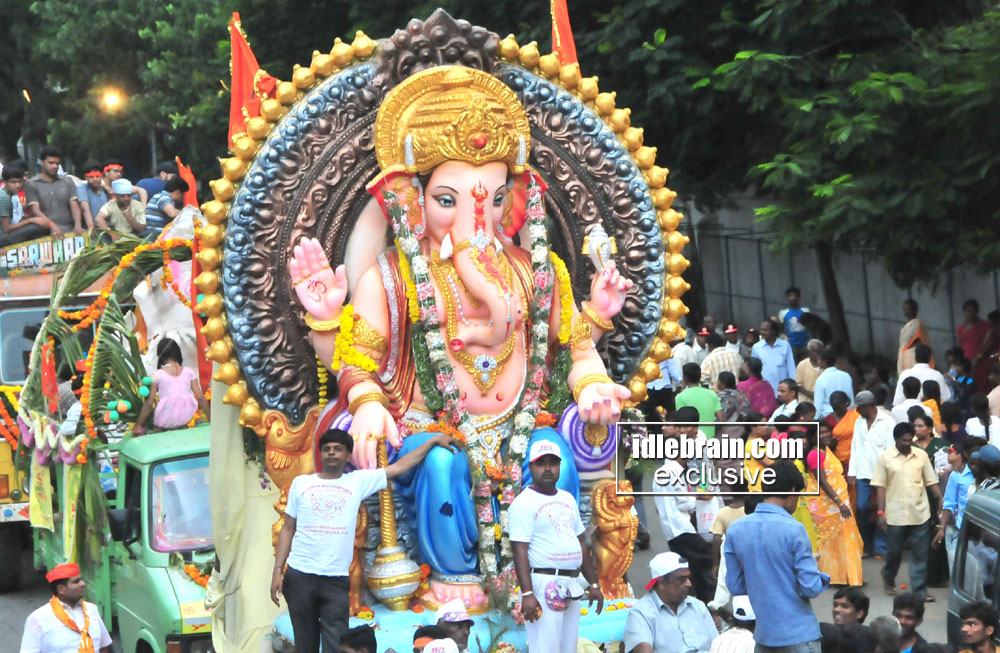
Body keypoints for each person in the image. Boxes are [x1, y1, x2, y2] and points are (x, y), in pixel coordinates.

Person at [270, 428, 459, 653]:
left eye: (338, 449)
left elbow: (401, 466)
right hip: (300, 576)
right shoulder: (301, 483)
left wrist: (433, 441)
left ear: (348, 456)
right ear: (320, 454)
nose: (331, 453)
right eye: (327, 449)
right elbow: (288, 528)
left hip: (335, 581)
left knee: (336, 645)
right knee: (305, 646)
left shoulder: (357, 481)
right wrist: (277, 571)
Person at [725, 461, 830, 652]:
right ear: (792, 489)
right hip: (799, 634)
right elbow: (810, 588)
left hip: (765, 636)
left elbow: (736, 587)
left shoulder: (735, 530)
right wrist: (813, 567)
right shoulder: (795, 529)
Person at [510, 440, 603, 653]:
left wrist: (594, 584)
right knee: (546, 648)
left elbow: (580, 542)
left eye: (553, 462)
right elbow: (519, 550)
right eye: (541, 463)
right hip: (543, 584)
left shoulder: (568, 499)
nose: (548, 468)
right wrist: (527, 593)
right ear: (531, 468)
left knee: (567, 648)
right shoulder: (524, 503)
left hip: (571, 582)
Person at [871, 422, 942, 600]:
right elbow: (880, 486)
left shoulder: (921, 455)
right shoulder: (885, 458)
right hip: (895, 514)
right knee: (894, 552)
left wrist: (940, 498)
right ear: (896, 439)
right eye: (904, 441)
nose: (908, 444)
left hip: (920, 512)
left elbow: (930, 480)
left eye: (910, 440)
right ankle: (888, 577)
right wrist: (881, 513)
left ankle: (919, 590)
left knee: (920, 553)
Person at [652, 419, 716, 603]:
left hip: (672, 529)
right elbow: (684, 503)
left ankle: (695, 601)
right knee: (706, 560)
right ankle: (708, 604)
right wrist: (699, 497)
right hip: (681, 527)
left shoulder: (664, 472)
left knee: (691, 567)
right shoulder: (675, 471)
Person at [623, 551, 718, 653]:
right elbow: (642, 648)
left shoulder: (697, 606)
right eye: (682, 579)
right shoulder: (641, 614)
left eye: (688, 578)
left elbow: (717, 645)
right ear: (662, 583)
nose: (689, 584)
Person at [807, 421, 863, 586]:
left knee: (845, 537)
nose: (825, 435)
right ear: (813, 436)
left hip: (838, 503)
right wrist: (839, 503)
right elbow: (822, 481)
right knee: (830, 539)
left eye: (827, 432)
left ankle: (845, 576)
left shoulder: (827, 450)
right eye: (821, 433)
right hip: (827, 504)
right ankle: (831, 576)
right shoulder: (815, 454)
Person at [19, 563, 113, 653]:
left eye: (81, 580)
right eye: (76, 581)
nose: (83, 584)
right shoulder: (38, 619)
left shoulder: (92, 610)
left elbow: (104, 646)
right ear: (61, 589)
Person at [847, 391, 895, 559]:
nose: (857, 412)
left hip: (882, 473)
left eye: (859, 408)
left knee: (883, 510)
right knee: (862, 507)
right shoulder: (858, 422)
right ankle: (866, 544)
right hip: (863, 472)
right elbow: (855, 447)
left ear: (867, 407)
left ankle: (881, 546)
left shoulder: (888, 422)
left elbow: (890, 449)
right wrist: (852, 471)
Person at [133, 338, 210, 434]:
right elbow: (201, 398)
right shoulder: (189, 372)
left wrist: (138, 424)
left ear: (159, 355)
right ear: (177, 353)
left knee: (155, 420)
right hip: (186, 418)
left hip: (166, 421)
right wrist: (211, 420)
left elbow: (149, 402)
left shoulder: (156, 375)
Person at [934, 437, 983, 568]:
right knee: (959, 568)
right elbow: (949, 503)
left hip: (983, 534)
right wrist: (941, 529)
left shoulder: (988, 477)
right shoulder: (956, 475)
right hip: (962, 530)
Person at [24, 146, 86, 235]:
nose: (54, 166)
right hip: (44, 233)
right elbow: (35, 210)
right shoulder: (32, 184)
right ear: (42, 163)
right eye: (51, 163)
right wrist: (52, 225)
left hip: (70, 230)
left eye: (57, 163)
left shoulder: (67, 181)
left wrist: (78, 225)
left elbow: (74, 205)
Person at [708, 481, 746, 611]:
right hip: (747, 549)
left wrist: (715, 564)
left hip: (729, 551)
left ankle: (720, 606)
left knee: (724, 582)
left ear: (731, 491)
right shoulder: (750, 510)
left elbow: (716, 539)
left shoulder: (722, 512)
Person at [1, 163, 58, 245]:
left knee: (42, 223)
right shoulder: (3, 197)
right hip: (3, 237)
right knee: (39, 227)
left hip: (8, 234)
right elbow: (6, 228)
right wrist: (30, 220)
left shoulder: (11, 194)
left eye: (19, 182)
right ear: (5, 183)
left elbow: (15, 219)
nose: (17, 185)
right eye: (13, 182)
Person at [675, 363, 723, 438]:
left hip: (691, 441)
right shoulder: (712, 394)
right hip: (711, 441)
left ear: (685, 378)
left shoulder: (680, 397)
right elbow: (721, 421)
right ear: (700, 376)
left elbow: (680, 423)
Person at [751, 318, 796, 397]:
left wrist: (792, 387)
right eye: (761, 330)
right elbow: (753, 370)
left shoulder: (785, 345)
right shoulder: (756, 347)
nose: (762, 332)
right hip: (763, 391)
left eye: (765, 330)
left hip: (782, 392)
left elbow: (791, 367)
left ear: (773, 331)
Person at [958, 300, 993, 392]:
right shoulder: (961, 328)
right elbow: (959, 345)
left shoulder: (985, 326)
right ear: (964, 312)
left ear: (976, 312)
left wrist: (979, 356)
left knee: (982, 385)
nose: (970, 313)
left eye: (972, 310)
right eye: (968, 310)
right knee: (967, 386)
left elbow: (989, 342)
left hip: (980, 362)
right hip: (966, 364)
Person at [813, 347, 855, 419]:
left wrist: (815, 420)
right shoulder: (846, 375)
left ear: (824, 361)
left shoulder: (821, 379)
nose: (817, 362)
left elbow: (818, 405)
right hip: (847, 416)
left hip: (829, 417)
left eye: (818, 359)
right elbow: (851, 399)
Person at [898, 300, 934, 375]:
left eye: (908, 309)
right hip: (904, 357)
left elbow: (920, 342)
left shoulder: (918, 324)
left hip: (914, 358)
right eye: (904, 309)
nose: (906, 311)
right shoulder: (907, 325)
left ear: (915, 310)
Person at [76, 161, 110, 230]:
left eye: (97, 176)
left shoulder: (104, 190)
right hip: (91, 230)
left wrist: (108, 189)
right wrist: (90, 226)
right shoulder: (82, 189)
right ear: (86, 177)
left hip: (106, 228)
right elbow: (85, 209)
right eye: (91, 177)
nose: (95, 179)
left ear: (102, 176)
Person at [779, 286, 811, 360]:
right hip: (791, 345)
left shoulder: (806, 311)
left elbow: (810, 327)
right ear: (787, 297)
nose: (793, 298)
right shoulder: (783, 313)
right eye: (790, 296)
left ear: (799, 297)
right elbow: (781, 329)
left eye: (795, 295)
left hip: (805, 344)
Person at [828, 391, 857, 469]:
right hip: (838, 461)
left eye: (839, 407)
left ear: (847, 403)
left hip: (856, 459)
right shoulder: (828, 420)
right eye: (834, 407)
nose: (837, 410)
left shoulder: (856, 415)